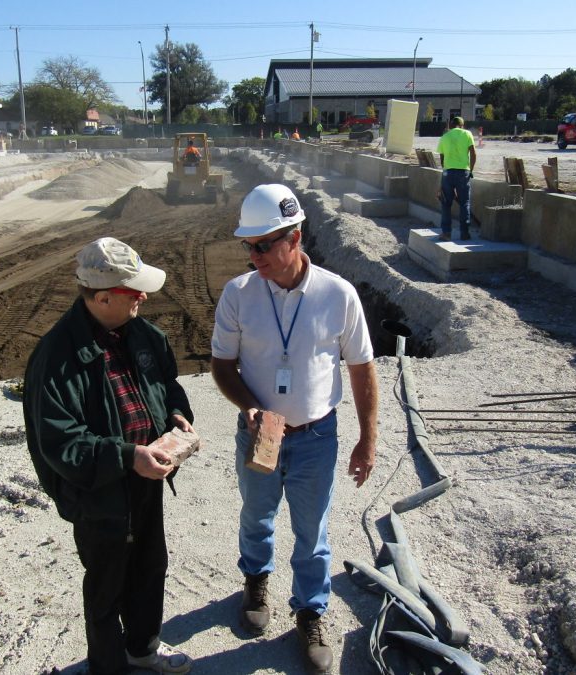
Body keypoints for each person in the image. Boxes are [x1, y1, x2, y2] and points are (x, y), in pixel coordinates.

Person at [210, 184, 378, 674]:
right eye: (250, 245)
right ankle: (256, 581)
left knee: (313, 532)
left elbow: (362, 370)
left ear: (295, 237)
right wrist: (250, 407)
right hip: (262, 433)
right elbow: (222, 366)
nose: (254, 255)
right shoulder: (239, 294)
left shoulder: (337, 294)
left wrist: (368, 440)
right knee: (256, 516)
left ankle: (309, 612)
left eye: (264, 244)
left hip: (316, 437)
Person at [23, 237, 195, 675]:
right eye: (132, 291)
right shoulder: (56, 358)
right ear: (101, 298)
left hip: (146, 480)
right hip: (98, 493)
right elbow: (61, 442)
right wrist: (125, 456)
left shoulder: (144, 336)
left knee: (150, 566)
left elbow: (168, 387)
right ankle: (108, 667)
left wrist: (176, 416)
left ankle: (142, 650)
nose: (142, 297)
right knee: (106, 587)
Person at [436, 116, 477, 241]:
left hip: (448, 173)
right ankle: (464, 233)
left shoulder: (445, 136)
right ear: (462, 125)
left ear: (451, 125)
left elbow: (442, 159)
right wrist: (471, 170)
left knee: (446, 203)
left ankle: (446, 233)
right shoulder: (467, 134)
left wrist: (446, 171)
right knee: (464, 203)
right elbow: (473, 153)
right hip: (463, 172)